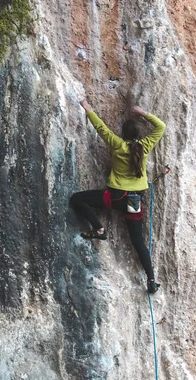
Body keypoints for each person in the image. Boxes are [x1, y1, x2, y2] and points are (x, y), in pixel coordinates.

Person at [70, 99, 166, 294]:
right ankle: (151, 280)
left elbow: (101, 127)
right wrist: (143, 113)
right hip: (134, 201)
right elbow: (161, 127)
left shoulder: (118, 145)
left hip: (114, 197)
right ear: (139, 135)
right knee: (138, 242)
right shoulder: (145, 146)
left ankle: (98, 229)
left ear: (123, 135)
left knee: (77, 199)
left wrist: (88, 107)